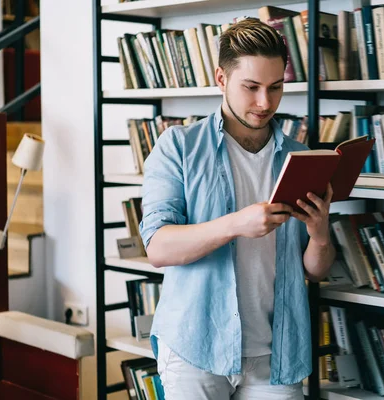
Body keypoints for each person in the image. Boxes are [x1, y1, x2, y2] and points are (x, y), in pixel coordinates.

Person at [140, 18, 336, 400]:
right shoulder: (178, 146)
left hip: (277, 353)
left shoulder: (299, 159)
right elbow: (159, 249)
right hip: (196, 345)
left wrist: (320, 233)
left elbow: (316, 270)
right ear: (220, 78)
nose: (265, 102)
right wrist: (235, 224)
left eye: (276, 87)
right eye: (251, 87)